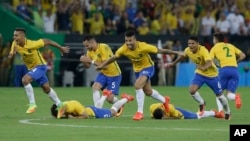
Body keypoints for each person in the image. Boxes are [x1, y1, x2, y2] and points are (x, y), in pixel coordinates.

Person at [96, 30, 183, 121]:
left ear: (135, 40)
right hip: (137, 71)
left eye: (130, 40)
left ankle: (140, 112)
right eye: (126, 41)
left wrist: (176, 53)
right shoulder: (123, 49)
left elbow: (160, 50)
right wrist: (102, 65)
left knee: (137, 85)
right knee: (148, 92)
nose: (128, 43)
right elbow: (114, 57)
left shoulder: (143, 46)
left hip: (148, 67)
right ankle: (165, 100)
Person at [8, 28, 70, 118]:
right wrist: (11, 54)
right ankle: (60, 105)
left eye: (16, 35)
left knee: (25, 80)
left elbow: (47, 41)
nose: (14, 37)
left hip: (41, 67)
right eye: (14, 35)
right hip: (33, 69)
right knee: (46, 89)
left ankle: (32, 104)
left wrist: (60, 48)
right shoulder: (15, 43)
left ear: (22, 36)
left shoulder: (32, 44)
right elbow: (12, 52)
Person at [166, 35, 231, 120]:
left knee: (220, 97)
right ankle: (202, 102)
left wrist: (203, 67)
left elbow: (209, 62)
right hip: (200, 74)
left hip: (212, 76)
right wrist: (173, 63)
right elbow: (183, 56)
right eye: (189, 43)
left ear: (198, 44)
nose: (190, 45)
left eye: (193, 43)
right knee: (192, 90)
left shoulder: (203, 50)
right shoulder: (188, 50)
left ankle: (227, 112)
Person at [80, 34, 122, 108]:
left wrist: (91, 60)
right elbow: (87, 66)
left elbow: (106, 65)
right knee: (95, 87)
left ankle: (120, 103)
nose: (86, 48)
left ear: (93, 42)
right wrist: (84, 61)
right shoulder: (89, 51)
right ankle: (97, 109)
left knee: (110, 99)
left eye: (87, 46)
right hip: (103, 74)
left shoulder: (104, 47)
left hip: (114, 75)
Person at [210, 32, 246, 110]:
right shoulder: (231, 46)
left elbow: (210, 61)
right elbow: (243, 55)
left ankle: (221, 112)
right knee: (229, 94)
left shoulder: (214, 48)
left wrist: (215, 67)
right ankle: (236, 97)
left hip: (224, 70)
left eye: (213, 39)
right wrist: (235, 62)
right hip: (234, 70)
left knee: (219, 94)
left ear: (216, 40)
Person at [50, 93, 134, 119]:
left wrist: (73, 118)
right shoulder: (65, 105)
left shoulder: (74, 104)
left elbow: (85, 116)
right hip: (91, 109)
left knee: (114, 112)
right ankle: (104, 95)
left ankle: (126, 98)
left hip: (94, 113)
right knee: (98, 108)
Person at [150, 99, 224, 120]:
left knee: (197, 116)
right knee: (196, 114)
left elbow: (178, 117)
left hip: (178, 111)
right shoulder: (152, 107)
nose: (164, 115)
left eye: (164, 114)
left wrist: (168, 118)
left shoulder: (171, 109)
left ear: (163, 111)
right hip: (173, 111)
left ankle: (214, 113)